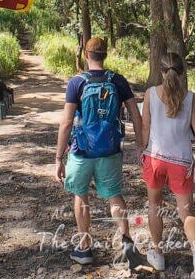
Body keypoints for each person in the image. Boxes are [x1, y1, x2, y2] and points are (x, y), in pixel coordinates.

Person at [54, 37, 145, 268]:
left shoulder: (77, 83)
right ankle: (126, 242)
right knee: (114, 195)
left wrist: (58, 158)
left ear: (86, 55)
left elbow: (66, 123)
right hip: (110, 150)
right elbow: (136, 115)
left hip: (81, 152)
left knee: (81, 195)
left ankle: (84, 248)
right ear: (105, 55)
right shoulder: (118, 81)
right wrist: (140, 146)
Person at [140, 52, 195, 279]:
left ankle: (158, 254)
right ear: (182, 72)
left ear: (160, 70)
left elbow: (145, 128)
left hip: (155, 158)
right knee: (186, 212)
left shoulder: (150, 94)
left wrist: (142, 149)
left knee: (154, 205)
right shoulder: (191, 98)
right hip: (181, 161)